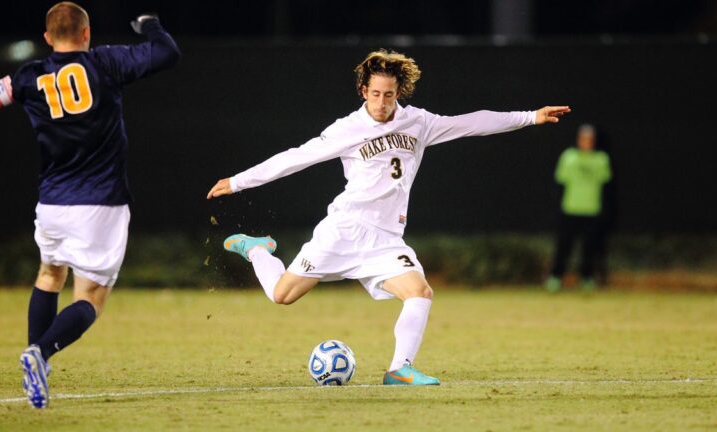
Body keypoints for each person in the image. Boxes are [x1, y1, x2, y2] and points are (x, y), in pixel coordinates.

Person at [207, 49, 570, 385]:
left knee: (420, 291)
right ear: (364, 90)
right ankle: (257, 250)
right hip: (344, 229)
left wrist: (530, 117)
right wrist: (238, 182)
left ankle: (399, 369)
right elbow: (295, 157)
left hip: (386, 238)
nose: (382, 103)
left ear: (399, 93)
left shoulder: (419, 123)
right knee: (282, 295)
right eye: (376, 94)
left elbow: (472, 122)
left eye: (390, 95)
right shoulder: (347, 128)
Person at [0, 2, 180, 408]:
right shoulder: (104, 62)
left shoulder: (29, 76)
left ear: (47, 38)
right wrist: (148, 23)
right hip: (99, 203)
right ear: (86, 34)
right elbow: (167, 52)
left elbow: (1, 92)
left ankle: (36, 367)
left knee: (49, 274)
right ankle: (39, 355)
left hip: (51, 203)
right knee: (91, 298)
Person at [546, 124, 612, 292]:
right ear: (578, 139)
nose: (586, 142)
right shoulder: (569, 157)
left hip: (591, 210)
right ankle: (555, 278)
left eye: (590, 139)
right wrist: (556, 208)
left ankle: (587, 279)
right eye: (583, 138)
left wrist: (605, 210)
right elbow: (559, 184)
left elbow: (606, 187)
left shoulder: (601, 159)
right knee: (563, 246)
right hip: (570, 209)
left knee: (589, 248)